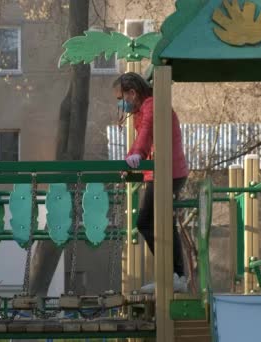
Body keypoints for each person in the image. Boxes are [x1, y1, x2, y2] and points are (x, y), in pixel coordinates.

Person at [113, 72, 189, 293]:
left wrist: (136, 154)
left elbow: (145, 135)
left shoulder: (151, 106)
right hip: (164, 171)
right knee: (159, 222)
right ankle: (174, 275)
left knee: (147, 222)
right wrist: (131, 160)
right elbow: (143, 138)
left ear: (132, 93)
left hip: (168, 172)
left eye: (121, 98)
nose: (120, 103)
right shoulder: (143, 109)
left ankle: (175, 274)